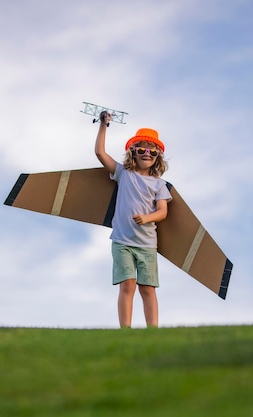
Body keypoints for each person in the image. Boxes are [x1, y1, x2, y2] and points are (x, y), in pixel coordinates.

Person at [94, 111, 172, 328]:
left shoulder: (159, 185)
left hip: (147, 244)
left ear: (157, 156)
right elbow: (100, 153)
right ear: (133, 152)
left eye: (152, 150)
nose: (147, 153)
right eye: (141, 149)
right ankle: (125, 330)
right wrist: (103, 125)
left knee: (147, 289)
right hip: (122, 242)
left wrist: (147, 217)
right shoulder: (124, 174)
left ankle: (152, 331)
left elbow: (163, 212)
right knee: (127, 285)